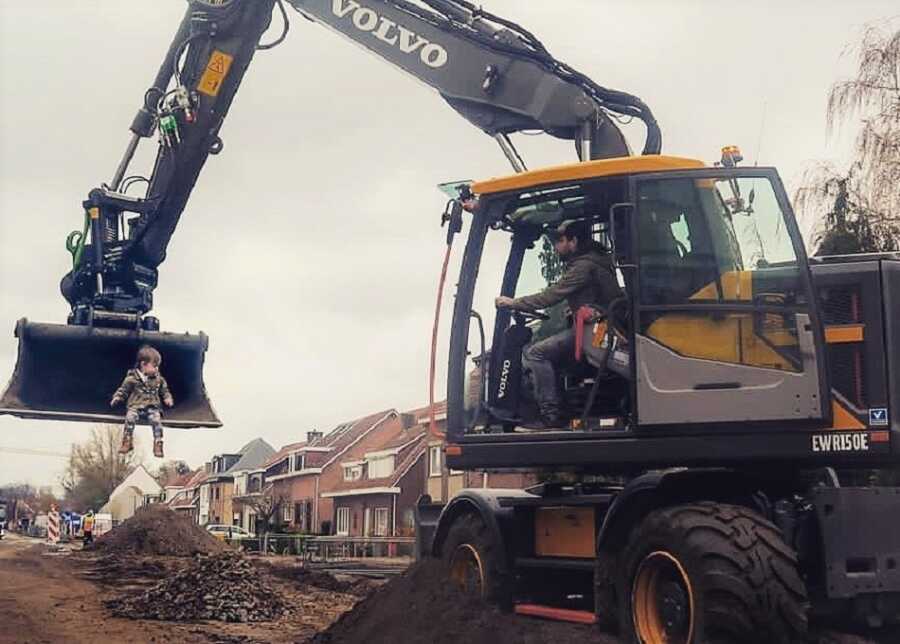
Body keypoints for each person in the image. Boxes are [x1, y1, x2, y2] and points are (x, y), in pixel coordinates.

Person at [495, 219, 621, 427]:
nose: (555, 246)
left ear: (573, 241)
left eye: (560, 240)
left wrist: (514, 303)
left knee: (535, 354)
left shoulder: (583, 266)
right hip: (598, 328)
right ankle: (565, 408)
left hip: (594, 332)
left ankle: (550, 414)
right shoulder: (598, 261)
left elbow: (550, 296)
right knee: (554, 357)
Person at [110, 345, 174, 457]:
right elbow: (123, 390)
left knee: (156, 421)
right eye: (154, 366)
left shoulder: (159, 380)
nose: (157, 369)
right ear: (143, 364)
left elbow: (164, 390)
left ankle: (158, 442)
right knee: (130, 418)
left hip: (152, 406)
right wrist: (117, 397)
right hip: (136, 405)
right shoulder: (131, 379)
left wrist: (167, 398)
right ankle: (127, 441)